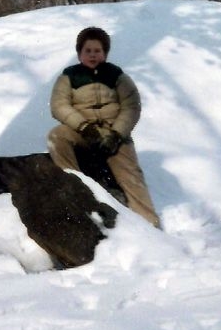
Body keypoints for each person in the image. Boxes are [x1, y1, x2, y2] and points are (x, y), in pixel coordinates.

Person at [47, 27, 159, 228]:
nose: (92, 55)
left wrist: (116, 134)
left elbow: (131, 106)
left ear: (105, 53)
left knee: (131, 175)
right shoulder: (68, 77)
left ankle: (150, 225)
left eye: (97, 51)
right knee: (57, 136)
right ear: (80, 53)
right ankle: (75, 190)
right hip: (81, 131)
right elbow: (59, 105)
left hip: (114, 134)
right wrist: (84, 127)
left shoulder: (117, 76)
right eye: (87, 50)